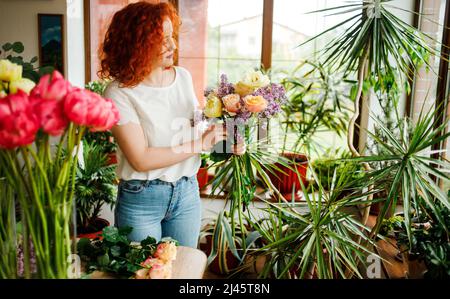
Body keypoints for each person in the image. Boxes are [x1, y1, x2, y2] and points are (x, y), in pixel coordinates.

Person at [99, 1, 244, 248]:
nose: (173, 45)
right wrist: (200, 142)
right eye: (163, 39)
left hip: (187, 192)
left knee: (184, 272)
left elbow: (191, 132)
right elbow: (141, 159)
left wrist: (226, 141)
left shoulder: (183, 77)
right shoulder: (118, 92)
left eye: (171, 37)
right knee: (146, 274)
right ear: (138, 43)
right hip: (141, 199)